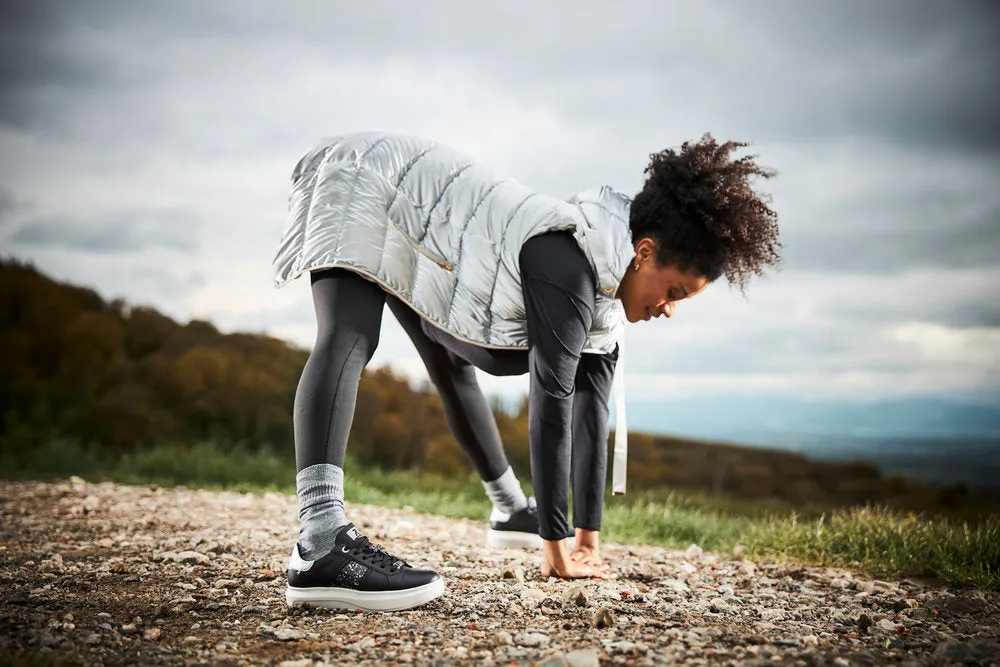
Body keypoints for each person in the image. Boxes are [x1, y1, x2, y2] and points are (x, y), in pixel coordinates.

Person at [272, 131, 781, 611]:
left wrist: (587, 543)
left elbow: (589, 414)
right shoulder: (568, 265)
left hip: (425, 219)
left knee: (449, 363)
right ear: (644, 253)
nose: (669, 309)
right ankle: (320, 545)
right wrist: (556, 554)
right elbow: (552, 406)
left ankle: (510, 510)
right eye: (673, 293)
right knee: (352, 333)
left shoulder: (609, 298)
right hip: (370, 178)